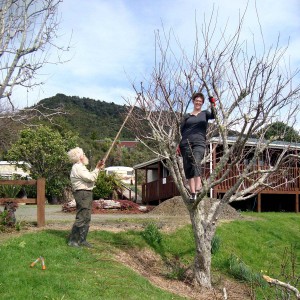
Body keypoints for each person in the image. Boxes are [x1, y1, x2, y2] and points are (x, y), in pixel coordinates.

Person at [179, 92, 216, 202]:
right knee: (188, 167)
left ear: (202, 103)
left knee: (196, 162)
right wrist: (178, 144)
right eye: (196, 100)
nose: (198, 102)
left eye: (200, 101)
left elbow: (214, 116)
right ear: (193, 101)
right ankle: (193, 193)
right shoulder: (186, 116)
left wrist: (213, 104)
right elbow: (180, 130)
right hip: (185, 143)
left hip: (199, 142)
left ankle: (198, 187)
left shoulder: (205, 113)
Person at [67, 147, 105, 247]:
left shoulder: (80, 167)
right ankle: (73, 241)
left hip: (86, 193)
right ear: (79, 156)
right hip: (82, 193)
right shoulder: (78, 167)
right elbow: (91, 178)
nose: (84, 155)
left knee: (87, 217)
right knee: (82, 217)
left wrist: (97, 167)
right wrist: (97, 168)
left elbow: (90, 176)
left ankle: (82, 240)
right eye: (83, 154)